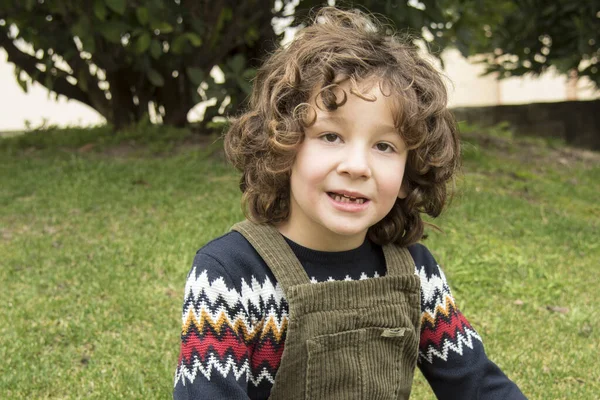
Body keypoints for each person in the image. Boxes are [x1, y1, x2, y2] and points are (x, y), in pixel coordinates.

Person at [173, 7, 527, 400]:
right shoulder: (231, 275)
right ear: (282, 145)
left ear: (410, 175)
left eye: (384, 146)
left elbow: (477, 386)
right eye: (330, 136)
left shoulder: (415, 274)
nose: (357, 166)